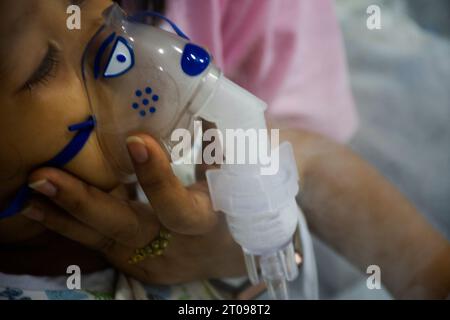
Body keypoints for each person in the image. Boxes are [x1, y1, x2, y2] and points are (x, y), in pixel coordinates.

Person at [0, 0, 448, 300]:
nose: (119, 46)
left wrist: (284, 183)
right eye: (42, 67)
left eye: (109, 6)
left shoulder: (181, 172)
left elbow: (308, 163)